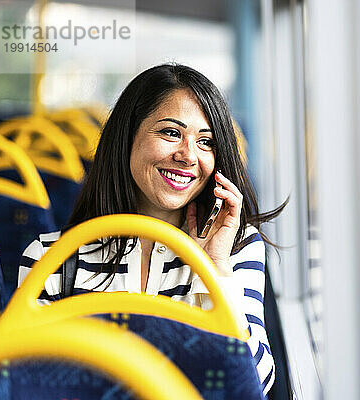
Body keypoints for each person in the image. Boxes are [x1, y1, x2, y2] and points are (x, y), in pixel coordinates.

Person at [18, 64, 285, 395]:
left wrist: (215, 271)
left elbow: (255, 382)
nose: (188, 156)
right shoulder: (51, 258)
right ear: (128, 137)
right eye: (171, 133)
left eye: (205, 142)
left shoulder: (235, 248)